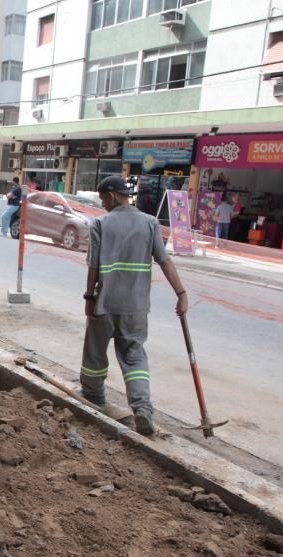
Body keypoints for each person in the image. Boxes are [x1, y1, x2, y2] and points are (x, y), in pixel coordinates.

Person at [79, 176, 188, 436]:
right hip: (136, 307)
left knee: (95, 353)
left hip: (105, 303)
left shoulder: (101, 224)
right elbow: (165, 261)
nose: (103, 204)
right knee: (134, 357)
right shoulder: (150, 223)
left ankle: (93, 395)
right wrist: (181, 293)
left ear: (113, 196)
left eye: (104, 199)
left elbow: (94, 265)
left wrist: (89, 298)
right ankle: (142, 409)